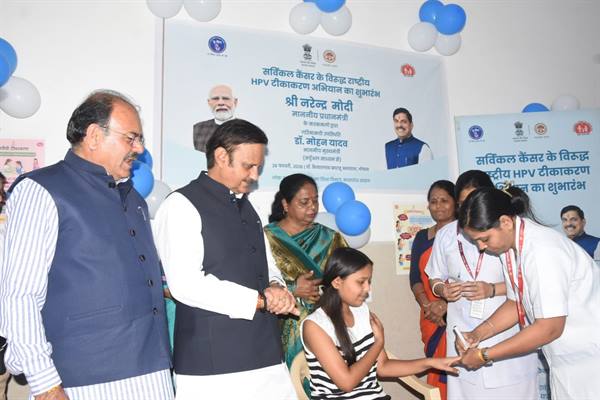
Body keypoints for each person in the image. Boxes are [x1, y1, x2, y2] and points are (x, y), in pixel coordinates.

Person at [0, 90, 173, 400]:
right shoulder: (40, 190)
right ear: (94, 136)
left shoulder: (133, 199)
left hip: (152, 370)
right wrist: (45, 385)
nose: (140, 148)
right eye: (131, 138)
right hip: (80, 378)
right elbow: (19, 295)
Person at [153, 119, 299, 399]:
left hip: (267, 354)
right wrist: (259, 301)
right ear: (221, 157)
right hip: (213, 365)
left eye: (258, 167)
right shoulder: (180, 205)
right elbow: (186, 285)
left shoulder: (248, 207)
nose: (255, 175)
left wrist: (277, 287)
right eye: (248, 166)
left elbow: (268, 265)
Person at [458, 186, 600, 399]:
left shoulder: (543, 250)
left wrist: (484, 355)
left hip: (591, 360)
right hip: (567, 362)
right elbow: (516, 303)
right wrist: (476, 334)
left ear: (506, 222)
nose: (481, 247)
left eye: (485, 239)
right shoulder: (510, 247)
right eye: (475, 241)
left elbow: (549, 328)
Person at [425, 170, 538, 400]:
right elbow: (434, 277)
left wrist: (492, 289)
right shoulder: (447, 235)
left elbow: (524, 285)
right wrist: (442, 290)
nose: (470, 207)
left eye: (475, 199)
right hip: (463, 332)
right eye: (463, 203)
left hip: (506, 331)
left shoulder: (507, 234)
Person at [301, 247, 459, 399]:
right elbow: (347, 383)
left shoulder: (361, 311)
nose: (367, 289)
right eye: (361, 282)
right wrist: (378, 344)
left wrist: (430, 363)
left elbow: (382, 367)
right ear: (337, 282)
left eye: (369, 281)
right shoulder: (315, 326)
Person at [264, 174, 347, 385]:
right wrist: (293, 289)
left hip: (325, 322)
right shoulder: (266, 237)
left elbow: (349, 279)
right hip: (280, 324)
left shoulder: (329, 238)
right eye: (304, 202)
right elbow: (252, 282)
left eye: (315, 200)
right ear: (286, 204)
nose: (312, 207)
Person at [409, 180, 456, 400]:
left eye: (444, 200)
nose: (438, 206)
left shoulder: (464, 235)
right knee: (436, 369)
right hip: (429, 314)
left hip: (456, 313)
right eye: (434, 201)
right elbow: (415, 277)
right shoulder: (421, 237)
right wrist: (428, 305)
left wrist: (445, 306)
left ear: (456, 203)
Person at [192, 84, 238, 152]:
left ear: (235, 102)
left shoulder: (248, 129)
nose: (220, 103)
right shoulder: (198, 128)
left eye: (226, 98)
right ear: (209, 102)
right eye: (215, 99)